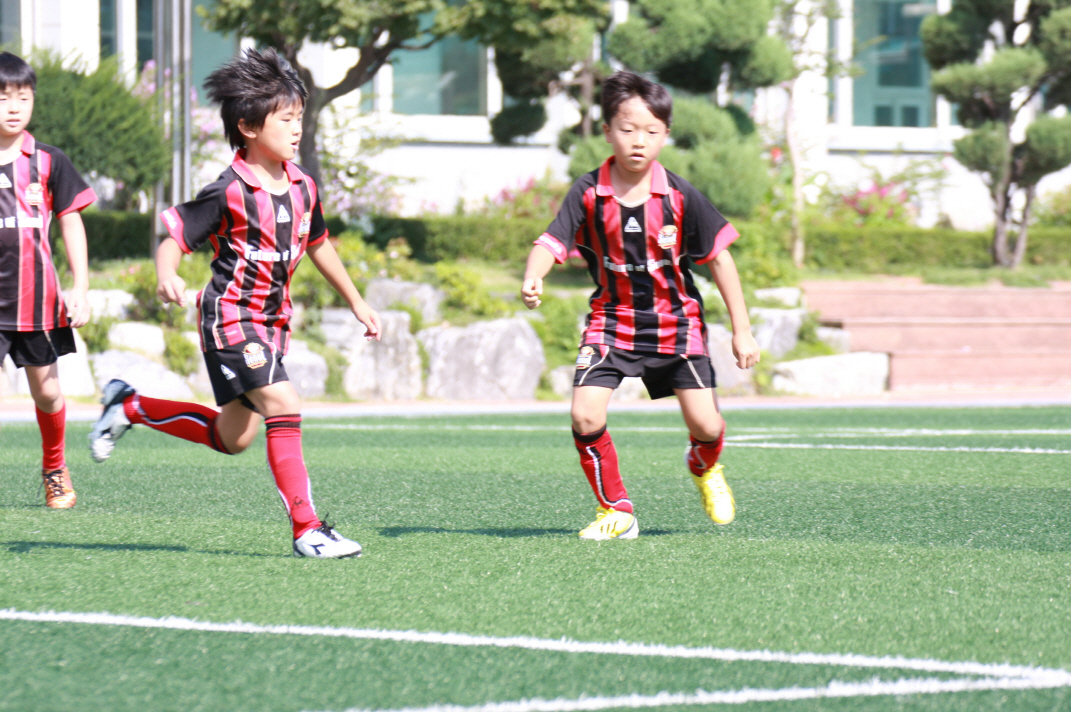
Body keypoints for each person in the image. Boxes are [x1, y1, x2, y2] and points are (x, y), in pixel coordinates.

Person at [88, 48, 380, 559]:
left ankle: (129, 406)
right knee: (284, 405)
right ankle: (308, 529)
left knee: (232, 439)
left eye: (299, 118)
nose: (297, 129)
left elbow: (318, 244)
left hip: (272, 324)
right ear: (247, 126)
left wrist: (356, 300)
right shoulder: (228, 190)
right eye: (286, 119)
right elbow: (174, 239)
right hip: (230, 319)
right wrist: (166, 274)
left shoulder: (304, 186)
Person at [521, 71, 761, 540]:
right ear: (607, 131)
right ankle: (616, 511)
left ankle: (704, 464)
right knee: (585, 415)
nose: (639, 141)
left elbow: (719, 258)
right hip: (612, 322)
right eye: (627, 129)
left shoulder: (678, 195)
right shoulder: (588, 192)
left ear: (665, 135)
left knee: (707, 424)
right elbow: (551, 241)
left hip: (676, 324)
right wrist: (535, 274)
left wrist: (743, 329)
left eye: (651, 131)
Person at [0, 52, 96, 509]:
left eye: (23, 97)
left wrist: (80, 287)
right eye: (3, 97)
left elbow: (72, 221)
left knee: (48, 391)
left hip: (35, 303)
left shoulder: (48, 161)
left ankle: (55, 467)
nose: (14, 107)